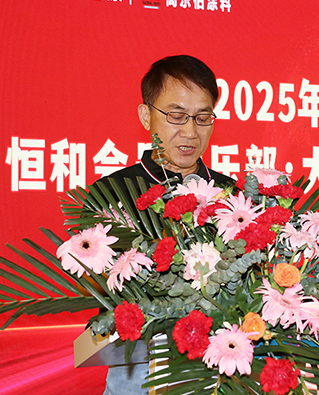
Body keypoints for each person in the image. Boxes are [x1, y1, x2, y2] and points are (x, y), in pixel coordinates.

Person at [100, 55, 234, 395]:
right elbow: (98, 286)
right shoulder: (111, 194)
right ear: (146, 115)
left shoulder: (232, 197)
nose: (190, 132)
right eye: (176, 116)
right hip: (136, 378)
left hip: (218, 376)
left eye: (203, 117)